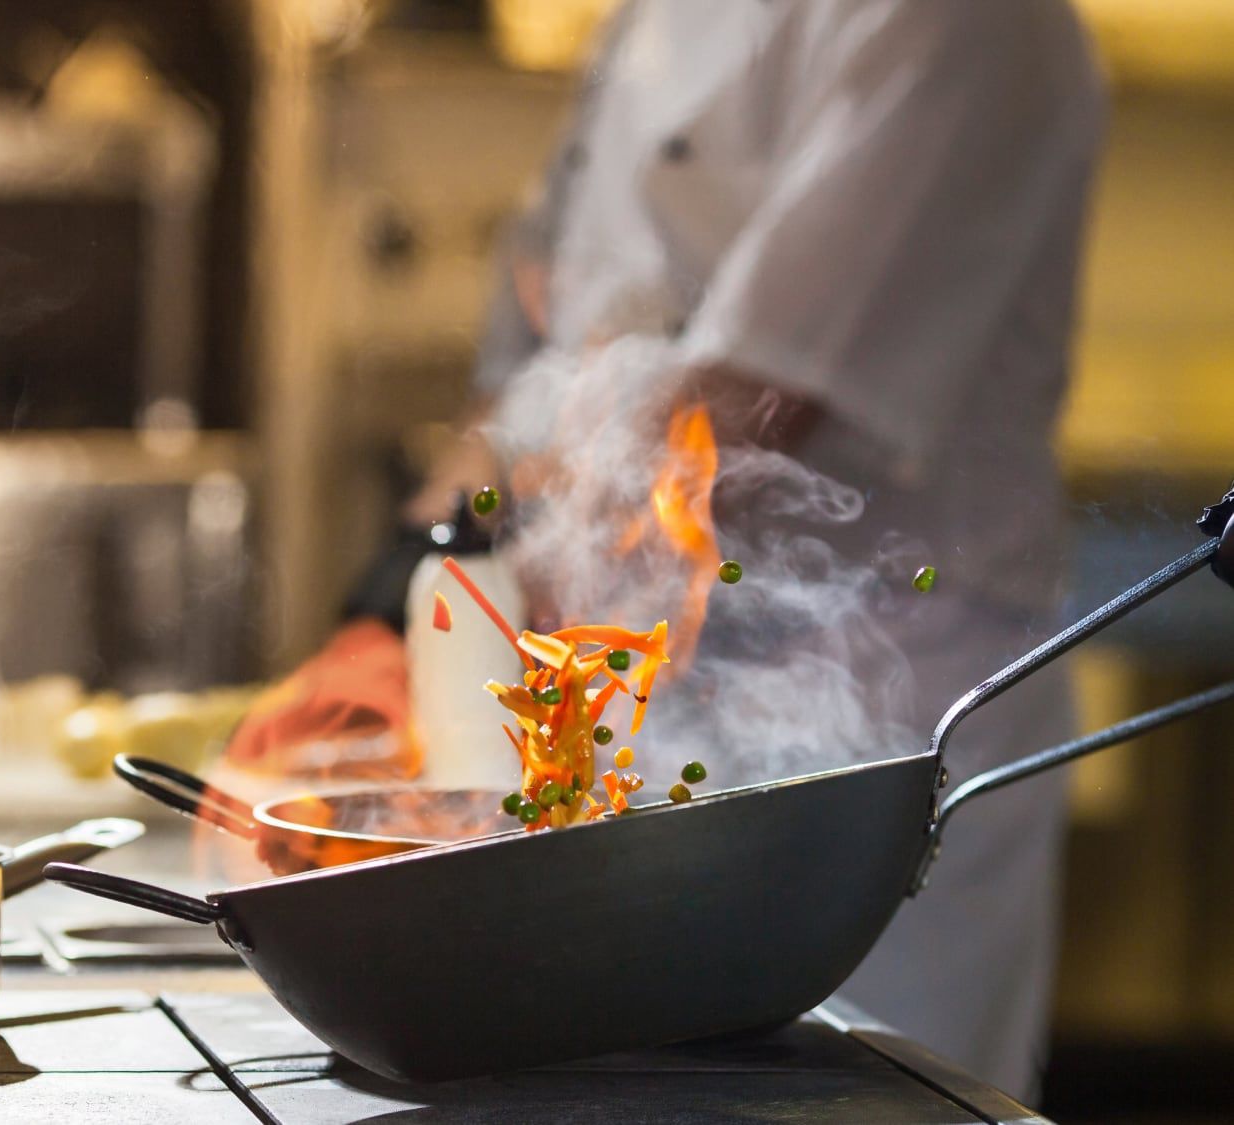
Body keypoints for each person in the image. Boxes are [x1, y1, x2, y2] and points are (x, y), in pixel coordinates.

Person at [408, 0, 1106, 1101]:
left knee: (852, 1103)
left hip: (877, 730)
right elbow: (540, 339)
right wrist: (425, 548)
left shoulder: (966, 20)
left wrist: (488, 600)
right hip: (654, 700)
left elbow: (746, 405)